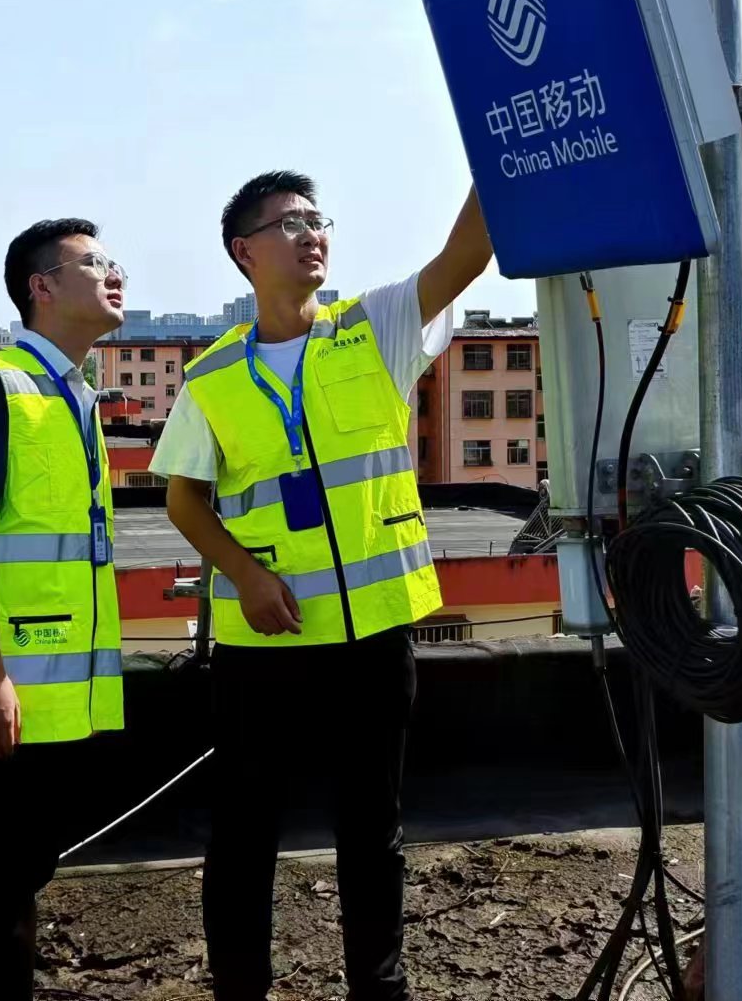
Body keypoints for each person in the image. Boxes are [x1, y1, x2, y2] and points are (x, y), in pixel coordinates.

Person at [153, 171, 493, 1001]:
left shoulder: (373, 329)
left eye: (317, 219)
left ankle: (380, 988)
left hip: (373, 632)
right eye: (289, 223)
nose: (312, 233)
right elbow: (183, 498)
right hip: (263, 639)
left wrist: (500, 140)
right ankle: (241, 989)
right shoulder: (213, 376)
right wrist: (245, 574)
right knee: (244, 831)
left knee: (373, 829)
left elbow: (466, 255)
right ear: (245, 252)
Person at [0, 218, 129, 1001]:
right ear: (42, 287)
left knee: (9, 895)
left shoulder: (73, 396)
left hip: (49, 706)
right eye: (94, 263)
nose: (115, 274)